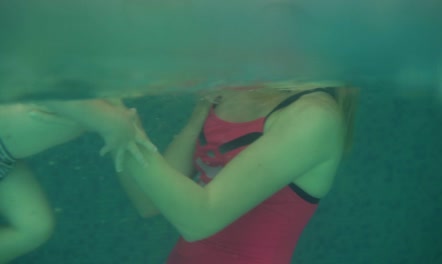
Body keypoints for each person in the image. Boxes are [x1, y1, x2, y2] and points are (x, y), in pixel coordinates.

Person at [107, 84, 359, 264]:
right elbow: (148, 200)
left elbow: (199, 220)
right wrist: (116, 120)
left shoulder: (314, 116)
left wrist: (123, 130)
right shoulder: (234, 92)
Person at [0, 99, 153, 263]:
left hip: (7, 154)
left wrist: (113, 121)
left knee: (36, 228)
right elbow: (47, 89)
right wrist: (112, 123)